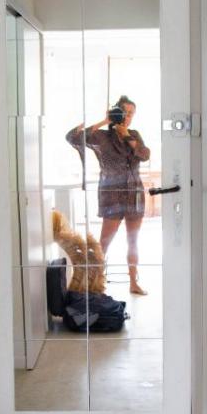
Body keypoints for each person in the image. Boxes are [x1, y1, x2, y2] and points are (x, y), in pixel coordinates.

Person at [66, 96, 151, 295]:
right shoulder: (102, 137)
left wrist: (127, 136)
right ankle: (95, 285)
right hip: (112, 196)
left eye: (131, 114)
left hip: (134, 195)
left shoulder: (134, 135)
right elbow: (73, 138)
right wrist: (105, 121)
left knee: (133, 241)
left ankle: (133, 283)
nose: (127, 117)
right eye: (124, 113)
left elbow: (145, 154)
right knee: (104, 242)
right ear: (116, 113)